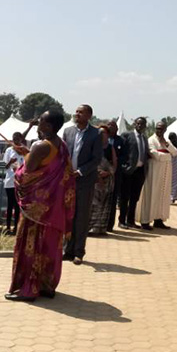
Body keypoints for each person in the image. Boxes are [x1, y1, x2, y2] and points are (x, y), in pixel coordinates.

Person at [6, 110, 75, 301]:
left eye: (41, 121)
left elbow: (25, 175)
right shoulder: (61, 146)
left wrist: (20, 165)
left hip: (36, 210)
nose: (38, 124)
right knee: (49, 246)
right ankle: (46, 286)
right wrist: (28, 153)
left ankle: (28, 289)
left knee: (31, 246)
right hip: (54, 209)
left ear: (49, 126)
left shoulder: (40, 146)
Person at [63, 104, 104, 264]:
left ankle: (79, 252)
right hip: (68, 180)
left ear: (89, 115)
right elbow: (63, 154)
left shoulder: (96, 133)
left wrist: (80, 171)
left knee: (82, 217)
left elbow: (96, 158)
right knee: (68, 215)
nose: (77, 114)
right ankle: (67, 250)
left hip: (85, 180)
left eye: (81, 112)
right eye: (76, 111)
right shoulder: (68, 131)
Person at [137, 121, 177, 230]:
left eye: (161, 129)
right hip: (154, 170)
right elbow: (154, 154)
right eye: (157, 128)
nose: (159, 131)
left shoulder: (167, 141)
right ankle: (145, 220)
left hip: (165, 171)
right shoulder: (151, 140)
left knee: (163, 195)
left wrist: (166, 145)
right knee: (151, 194)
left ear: (165, 130)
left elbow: (175, 152)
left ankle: (158, 219)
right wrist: (168, 156)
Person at [118, 117, 149, 230]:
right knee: (124, 197)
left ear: (145, 126)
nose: (140, 126)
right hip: (128, 171)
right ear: (134, 124)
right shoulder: (127, 135)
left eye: (142, 124)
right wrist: (124, 167)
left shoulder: (144, 138)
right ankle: (122, 221)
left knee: (134, 198)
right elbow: (120, 152)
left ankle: (130, 221)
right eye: (138, 123)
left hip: (140, 171)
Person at [88, 124, 117, 236]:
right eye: (100, 132)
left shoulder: (110, 148)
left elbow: (114, 164)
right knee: (93, 204)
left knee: (104, 204)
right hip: (95, 179)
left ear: (108, 135)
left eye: (104, 133)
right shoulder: (92, 146)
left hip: (107, 181)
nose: (101, 135)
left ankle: (100, 228)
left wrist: (108, 172)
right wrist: (97, 173)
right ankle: (90, 228)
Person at [3, 131, 28, 234]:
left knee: (18, 205)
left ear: (21, 139)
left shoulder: (24, 151)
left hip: (20, 182)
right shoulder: (9, 150)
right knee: (10, 204)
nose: (16, 141)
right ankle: (8, 226)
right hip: (10, 181)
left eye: (18, 139)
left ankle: (16, 227)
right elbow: (5, 166)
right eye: (14, 139)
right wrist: (10, 162)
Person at [106, 121, 125, 232]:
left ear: (117, 128)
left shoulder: (121, 141)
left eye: (113, 126)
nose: (110, 127)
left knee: (113, 200)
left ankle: (109, 225)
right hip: (101, 173)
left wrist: (115, 161)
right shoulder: (101, 139)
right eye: (109, 125)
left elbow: (124, 156)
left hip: (115, 173)